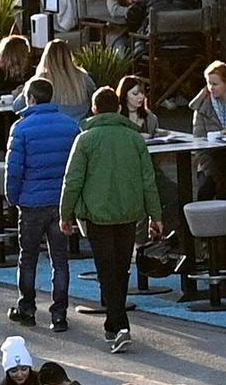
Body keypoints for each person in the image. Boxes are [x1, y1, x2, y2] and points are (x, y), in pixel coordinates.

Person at [61, 86, 159, 349]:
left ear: (93, 109)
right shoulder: (135, 138)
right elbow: (148, 180)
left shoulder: (85, 139)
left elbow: (73, 181)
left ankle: (119, 324)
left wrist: (65, 213)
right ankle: (115, 324)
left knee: (106, 268)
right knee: (121, 267)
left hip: (97, 213)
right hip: (129, 211)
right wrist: (155, 215)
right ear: (118, 108)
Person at [4, 74, 81, 333]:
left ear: (31, 98)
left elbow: (14, 169)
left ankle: (26, 308)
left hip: (31, 201)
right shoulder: (70, 125)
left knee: (28, 258)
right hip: (60, 201)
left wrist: (13, 197)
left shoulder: (21, 128)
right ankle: (59, 315)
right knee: (59, 258)